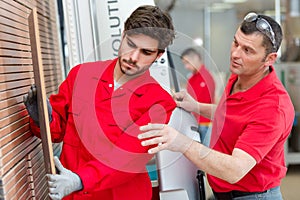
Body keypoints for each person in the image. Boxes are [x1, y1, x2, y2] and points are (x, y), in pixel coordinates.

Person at [23, 5, 176, 200]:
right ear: (123, 36)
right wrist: (42, 119)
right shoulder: (81, 75)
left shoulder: (159, 103)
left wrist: (79, 180)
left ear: (158, 55)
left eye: (146, 52)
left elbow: (126, 157)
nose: (133, 57)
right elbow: (57, 130)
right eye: (130, 44)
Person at [138, 12, 294, 200]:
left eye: (248, 50)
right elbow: (231, 114)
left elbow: (235, 169)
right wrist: (196, 106)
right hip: (223, 193)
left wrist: (181, 143)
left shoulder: (273, 107)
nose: (235, 54)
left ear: (269, 59)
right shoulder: (240, 75)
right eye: (236, 43)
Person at [180, 48, 215, 146]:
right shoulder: (192, 79)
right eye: (184, 63)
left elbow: (203, 100)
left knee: (205, 154)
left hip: (206, 124)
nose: (186, 66)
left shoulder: (206, 77)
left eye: (187, 62)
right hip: (195, 121)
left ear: (195, 58)